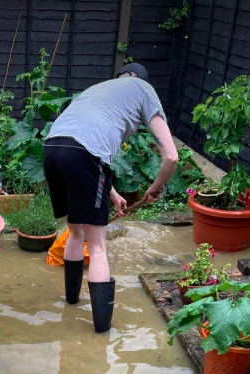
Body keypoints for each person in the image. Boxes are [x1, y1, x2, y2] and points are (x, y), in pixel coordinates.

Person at [43, 63, 178, 334]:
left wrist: (112, 194)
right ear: (140, 79)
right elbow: (172, 156)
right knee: (98, 247)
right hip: (84, 154)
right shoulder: (144, 88)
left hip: (52, 148)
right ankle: (102, 332)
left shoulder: (100, 90)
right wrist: (155, 187)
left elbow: (90, 159)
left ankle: (71, 302)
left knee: (75, 232)